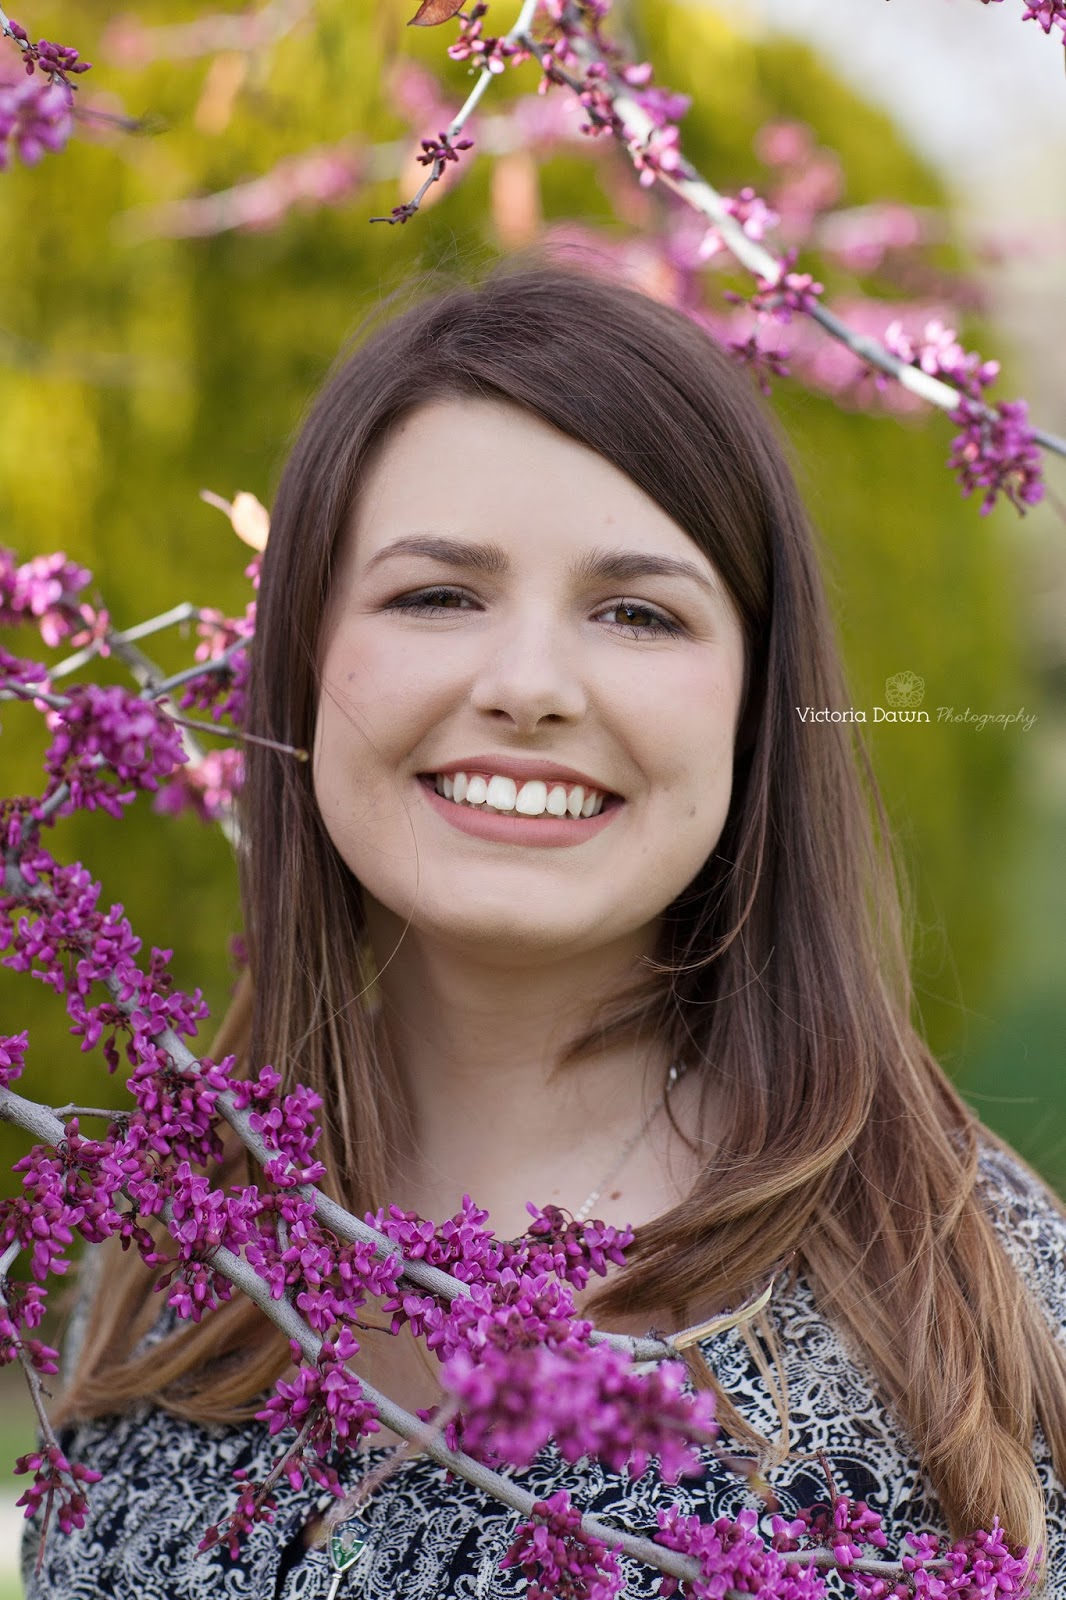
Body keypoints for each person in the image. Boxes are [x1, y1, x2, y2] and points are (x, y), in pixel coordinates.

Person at [23, 259, 1066, 1599]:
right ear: (303, 660)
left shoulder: (973, 1318)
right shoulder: (168, 1252)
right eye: (436, 595)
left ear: (753, 709)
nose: (528, 687)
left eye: (637, 613)